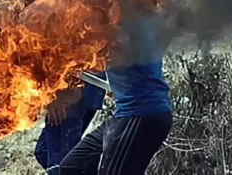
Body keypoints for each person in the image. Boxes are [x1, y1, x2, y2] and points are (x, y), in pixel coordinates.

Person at [10, 0, 107, 174]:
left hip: (71, 90)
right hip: (85, 85)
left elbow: (65, 43)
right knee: (46, 152)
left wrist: (57, 93)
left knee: (59, 164)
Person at [58, 14, 173, 174]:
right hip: (126, 114)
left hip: (141, 115)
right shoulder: (140, 15)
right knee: (73, 168)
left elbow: (114, 47)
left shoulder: (128, 23)